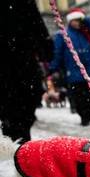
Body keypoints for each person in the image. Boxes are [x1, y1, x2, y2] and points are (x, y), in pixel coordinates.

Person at [0, 0, 53, 143]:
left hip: (24, 52)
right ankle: (16, 135)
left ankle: (19, 135)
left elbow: (33, 18)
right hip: (11, 55)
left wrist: (45, 43)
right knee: (13, 99)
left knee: (28, 95)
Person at [49, 8, 90, 126]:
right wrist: (53, 68)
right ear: (70, 21)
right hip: (74, 72)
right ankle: (84, 116)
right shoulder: (63, 35)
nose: (77, 23)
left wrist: (86, 19)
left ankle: (88, 113)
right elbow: (58, 53)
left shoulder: (86, 33)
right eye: (75, 20)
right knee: (79, 97)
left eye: (79, 20)